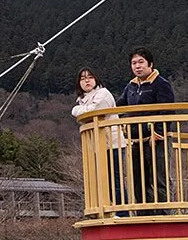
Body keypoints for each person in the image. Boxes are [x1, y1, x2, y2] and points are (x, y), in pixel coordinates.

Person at [116, 48, 175, 209]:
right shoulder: (131, 86)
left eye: (141, 62)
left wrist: (158, 132)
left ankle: (165, 213)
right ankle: (145, 214)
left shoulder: (161, 83)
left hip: (157, 139)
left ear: (150, 64)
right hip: (136, 139)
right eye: (134, 63)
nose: (137, 66)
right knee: (138, 180)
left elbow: (168, 110)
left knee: (160, 178)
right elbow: (119, 106)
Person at [71, 68, 119, 206]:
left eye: (90, 77)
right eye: (82, 78)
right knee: (103, 179)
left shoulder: (102, 93)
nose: (87, 80)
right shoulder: (83, 99)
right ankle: (110, 208)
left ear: (96, 79)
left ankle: (123, 211)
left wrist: (75, 110)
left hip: (113, 142)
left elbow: (93, 112)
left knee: (114, 179)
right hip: (99, 144)